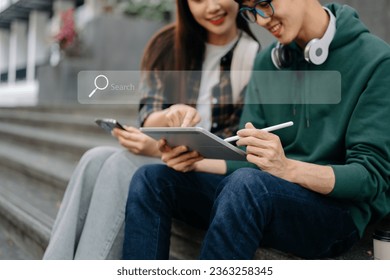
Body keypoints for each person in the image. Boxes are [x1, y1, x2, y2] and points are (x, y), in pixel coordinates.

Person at [122, 0, 390, 259]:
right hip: (263, 195)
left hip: (336, 216)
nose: (261, 20)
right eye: (251, 10)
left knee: (247, 186)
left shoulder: (377, 61)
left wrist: (287, 168)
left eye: (264, 3)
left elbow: (371, 178)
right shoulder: (267, 62)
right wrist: (196, 161)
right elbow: (248, 158)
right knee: (153, 179)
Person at [43, 0, 259, 259]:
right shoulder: (167, 44)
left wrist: (158, 150)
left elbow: (237, 144)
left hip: (208, 175)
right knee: (94, 159)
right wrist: (169, 116)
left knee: (120, 165)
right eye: (198, 0)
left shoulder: (254, 56)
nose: (212, 7)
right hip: (168, 160)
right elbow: (148, 114)